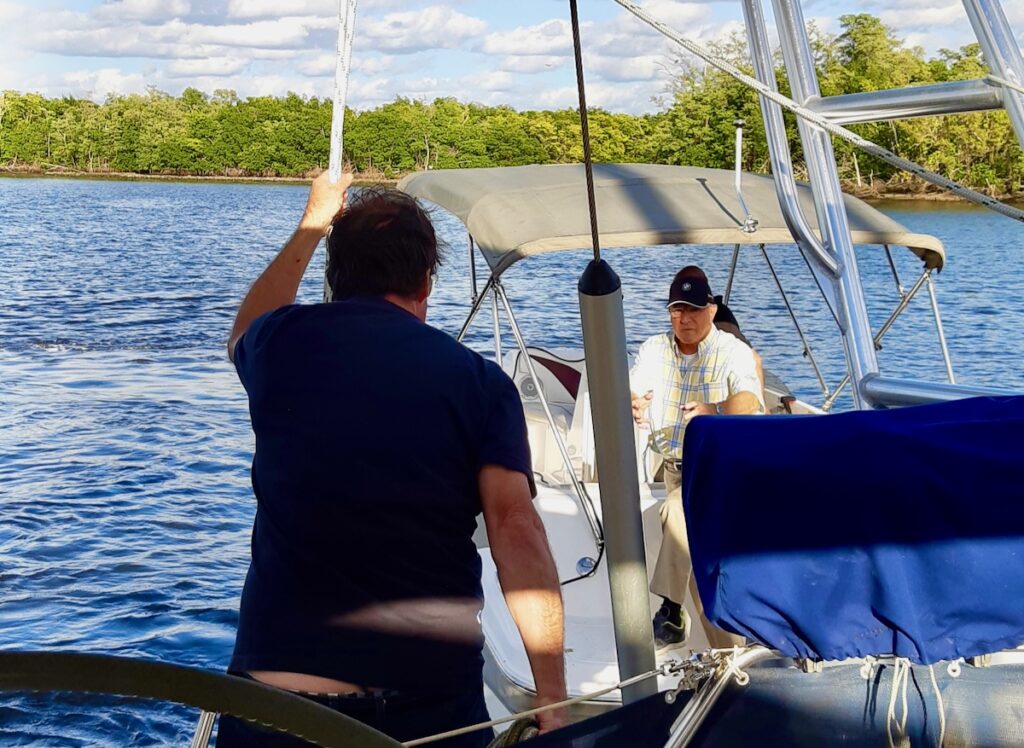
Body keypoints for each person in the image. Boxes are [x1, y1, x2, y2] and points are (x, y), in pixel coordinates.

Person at [221, 173, 567, 746]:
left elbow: (243, 327)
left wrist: (312, 221)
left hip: (279, 704)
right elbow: (516, 529)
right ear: (426, 279)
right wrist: (552, 695)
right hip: (425, 709)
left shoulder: (279, 345)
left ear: (336, 277)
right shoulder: (479, 383)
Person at [629, 265, 764, 650]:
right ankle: (729, 657)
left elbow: (749, 399)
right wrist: (634, 402)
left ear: (710, 310)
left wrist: (715, 411)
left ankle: (670, 610)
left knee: (675, 514)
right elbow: (633, 383)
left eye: (692, 309)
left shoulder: (732, 352)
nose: (684, 319)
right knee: (694, 566)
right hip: (674, 467)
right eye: (676, 310)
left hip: (720, 469)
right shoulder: (655, 348)